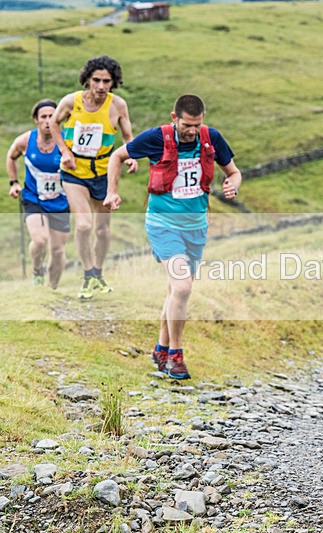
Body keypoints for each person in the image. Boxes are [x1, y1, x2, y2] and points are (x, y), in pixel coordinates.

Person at [105, 94, 241, 380]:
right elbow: (117, 156)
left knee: (174, 289)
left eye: (197, 125)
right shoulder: (156, 138)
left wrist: (232, 184)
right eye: (187, 125)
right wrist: (112, 192)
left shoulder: (211, 137)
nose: (192, 131)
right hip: (163, 223)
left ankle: (161, 348)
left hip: (196, 226)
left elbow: (234, 171)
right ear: (174, 117)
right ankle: (176, 356)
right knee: (182, 288)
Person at [50, 55, 137, 300]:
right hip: (74, 172)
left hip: (103, 172)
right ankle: (87, 274)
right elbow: (54, 124)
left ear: (113, 82)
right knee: (84, 224)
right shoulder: (71, 101)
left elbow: (128, 135)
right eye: (96, 80)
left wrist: (131, 156)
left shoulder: (118, 105)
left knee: (102, 230)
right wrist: (65, 152)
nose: (100, 86)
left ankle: (98, 272)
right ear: (87, 80)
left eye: (106, 81)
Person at [6, 99, 69, 288]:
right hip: (34, 198)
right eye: (44, 117)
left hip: (61, 201)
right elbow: (11, 156)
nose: (48, 121)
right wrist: (14, 182)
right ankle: (37, 270)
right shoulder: (26, 140)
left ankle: (52, 289)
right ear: (36, 119)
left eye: (52, 116)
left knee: (57, 252)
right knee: (40, 240)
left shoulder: (67, 140)